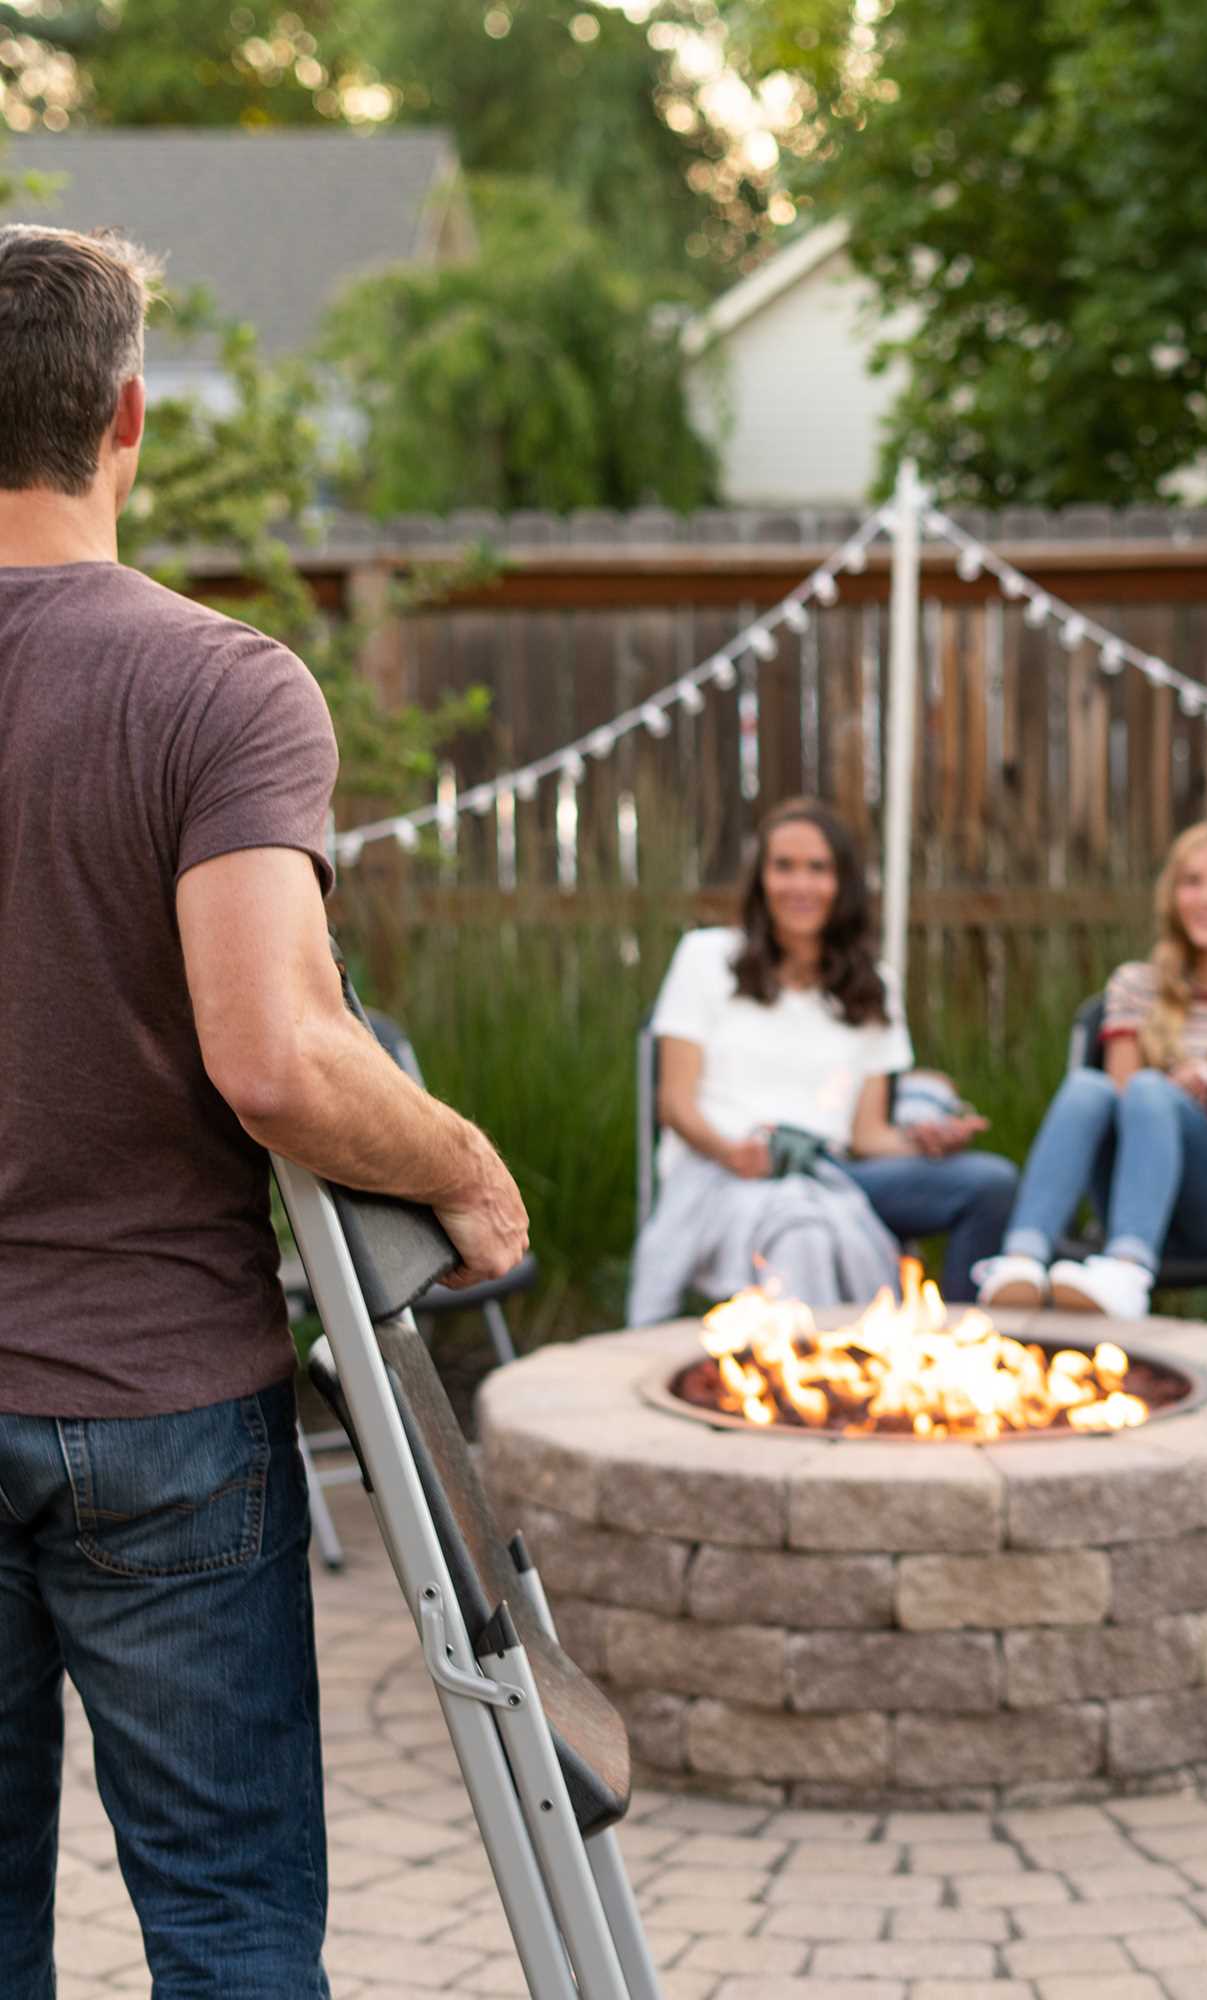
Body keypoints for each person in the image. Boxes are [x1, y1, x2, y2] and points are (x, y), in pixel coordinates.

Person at [0, 225, 529, 2000]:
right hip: (161, 1407)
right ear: (128, 417)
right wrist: (460, 1159)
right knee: (225, 1933)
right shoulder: (215, 685)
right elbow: (277, 1060)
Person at [626, 798, 1017, 1320]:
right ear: (761, 879)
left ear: (843, 883)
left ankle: (957, 1347)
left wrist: (921, 1142)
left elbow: (867, 1137)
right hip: (727, 1170)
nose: (800, 885)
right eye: (783, 867)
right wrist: (730, 1153)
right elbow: (675, 1104)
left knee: (992, 1184)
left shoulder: (874, 987)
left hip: (834, 1172)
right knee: (802, 1228)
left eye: (818, 869)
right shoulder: (706, 958)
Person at [974, 818, 1207, 1320]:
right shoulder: (1135, 986)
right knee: (1090, 1087)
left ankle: (1126, 1271)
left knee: (1151, 1090)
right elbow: (1122, 1098)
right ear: (1172, 895)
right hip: (1136, 1194)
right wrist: (1174, 1096)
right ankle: (1019, 1259)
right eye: (1192, 881)